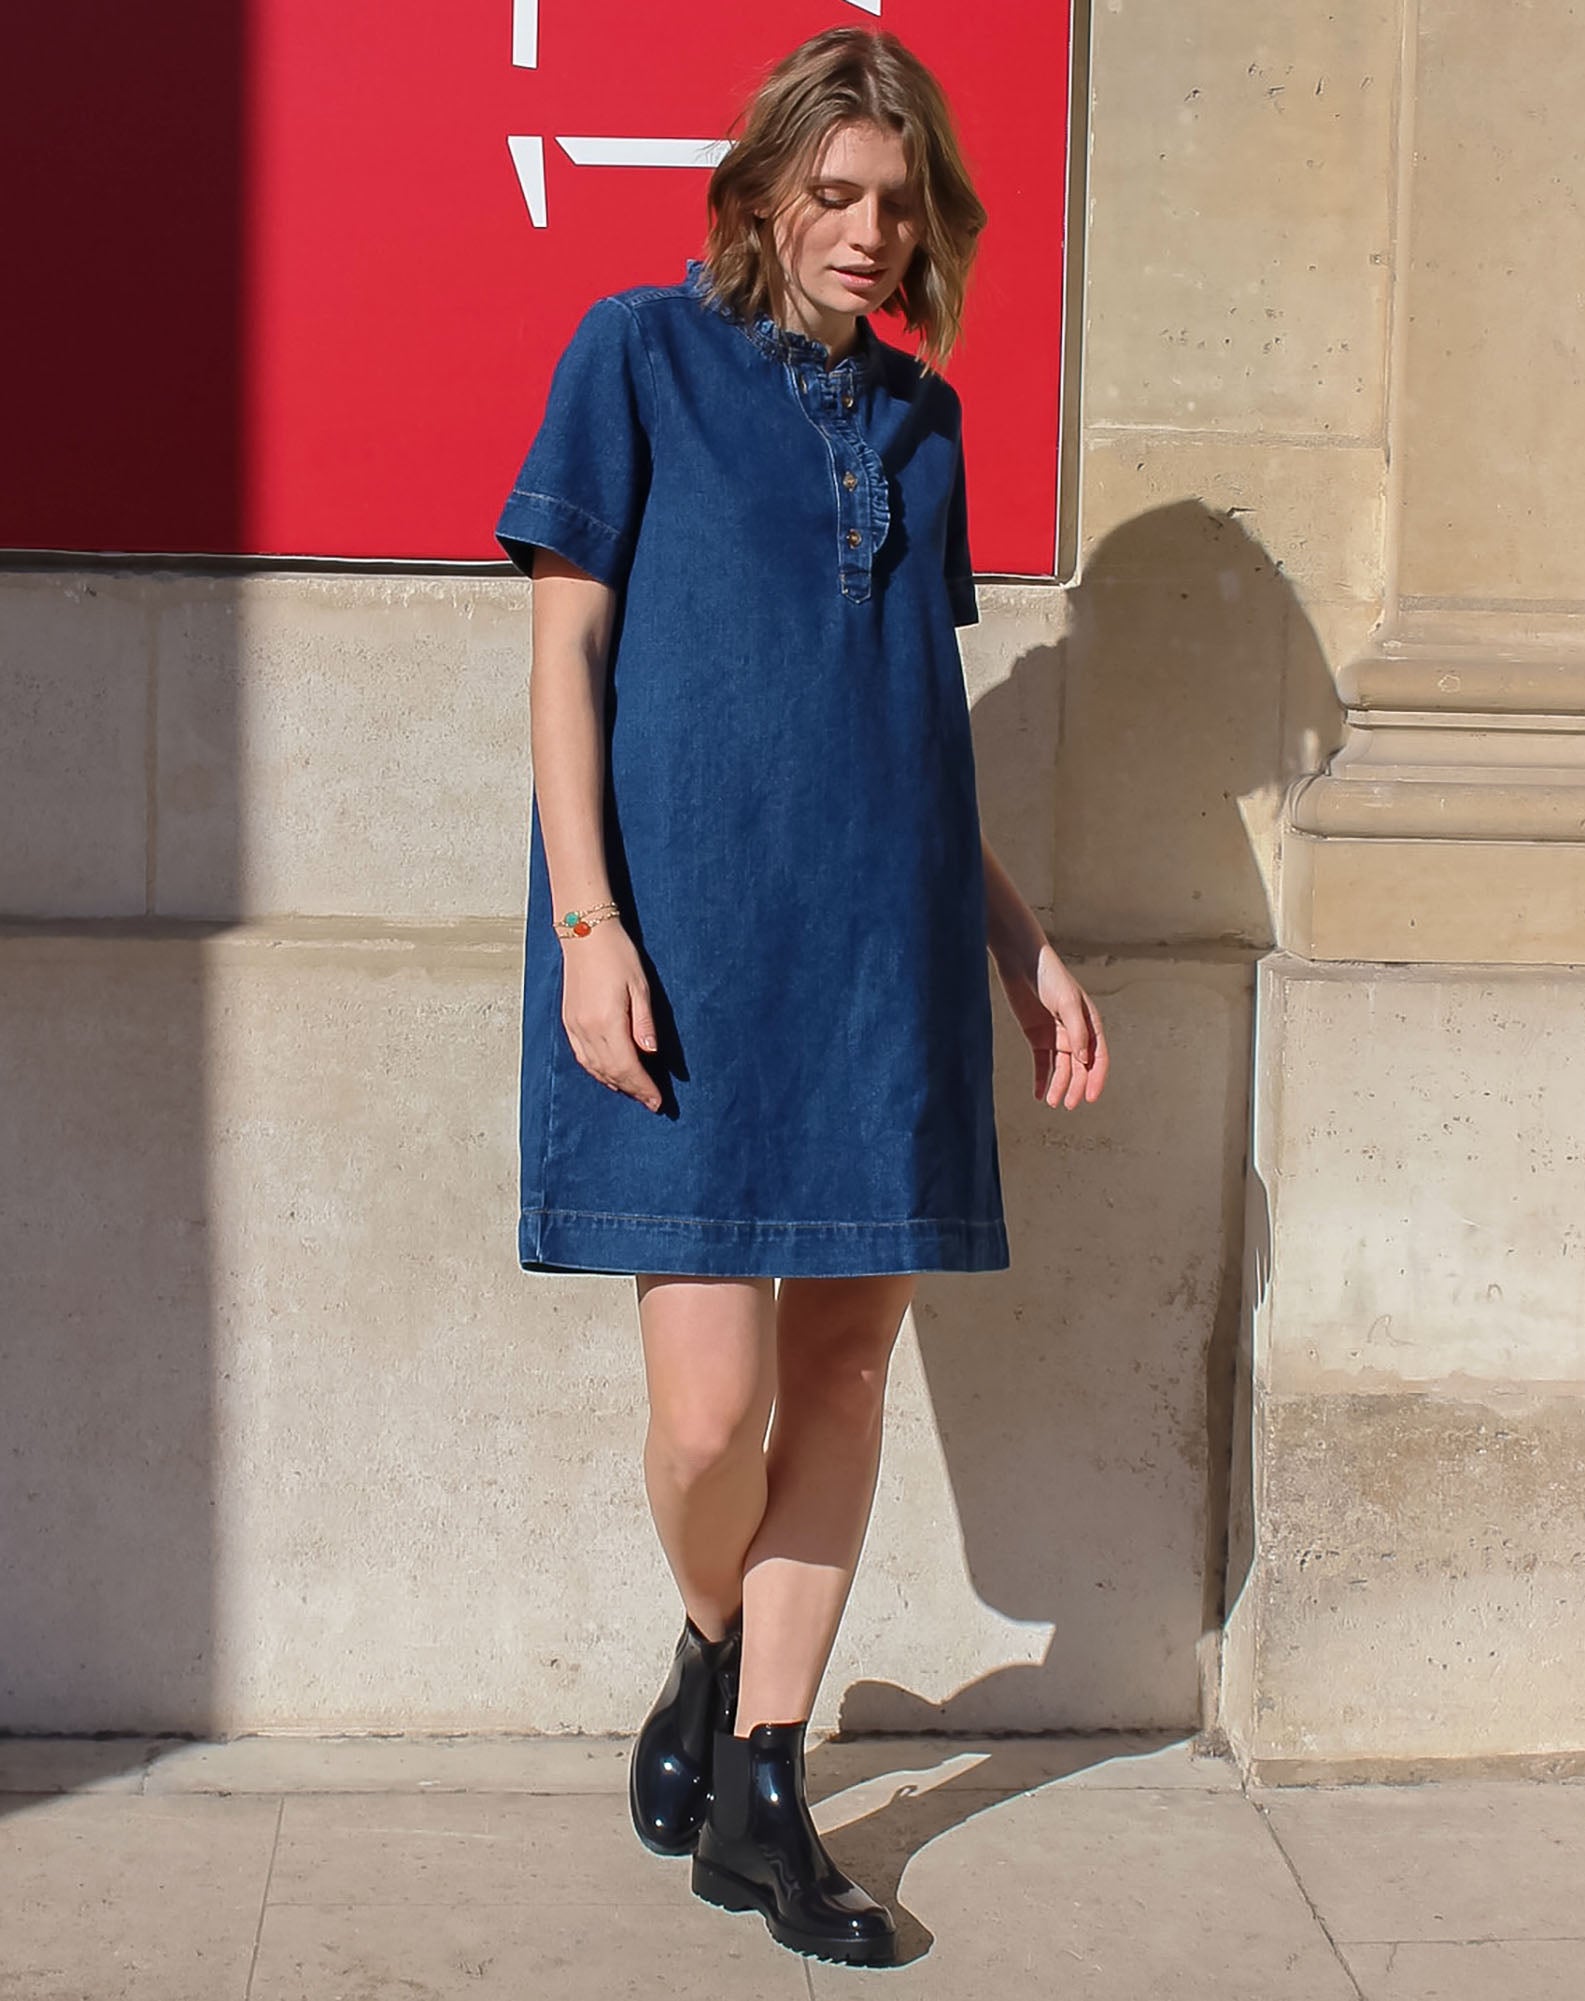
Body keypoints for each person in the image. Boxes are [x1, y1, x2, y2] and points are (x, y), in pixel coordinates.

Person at [494, 24, 1107, 1969]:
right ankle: (711, 1643)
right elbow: (564, 658)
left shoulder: (923, 426)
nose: (865, 231)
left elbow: (907, 735)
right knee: (709, 1416)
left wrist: (1019, 944)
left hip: (881, 971)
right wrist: (589, 926)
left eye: (897, 206)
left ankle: (764, 1780)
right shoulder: (634, 357)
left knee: (839, 1372)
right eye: (832, 193)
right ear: (761, 192)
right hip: (687, 954)